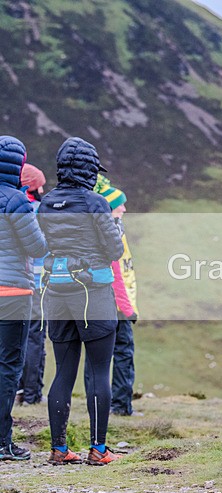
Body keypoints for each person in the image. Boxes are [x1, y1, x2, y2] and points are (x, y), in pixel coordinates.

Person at [38, 137, 124, 466]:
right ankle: (98, 450)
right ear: (89, 170)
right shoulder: (96, 202)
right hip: (92, 294)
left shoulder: (47, 203)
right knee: (99, 370)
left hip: (56, 292)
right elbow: (115, 251)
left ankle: (59, 449)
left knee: (62, 372)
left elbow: (43, 245)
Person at [0, 136, 48, 461]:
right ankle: (3, 443)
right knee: (7, 366)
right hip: (13, 293)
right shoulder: (17, 200)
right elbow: (37, 248)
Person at [90, 174, 139, 417]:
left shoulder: (101, 229)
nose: (124, 208)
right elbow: (117, 274)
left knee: (98, 356)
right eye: (119, 203)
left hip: (102, 304)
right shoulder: (112, 233)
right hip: (117, 307)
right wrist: (127, 309)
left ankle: (100, 404)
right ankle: (120, 406)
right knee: (123, 352)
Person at [17, 163, 48, 406]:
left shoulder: (10, 207)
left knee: (13, 338)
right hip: (37, 285)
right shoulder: (39, 211)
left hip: (11, 285)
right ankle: (32, 395)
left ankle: (16, 390)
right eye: (41, 186)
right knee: (35, 338)